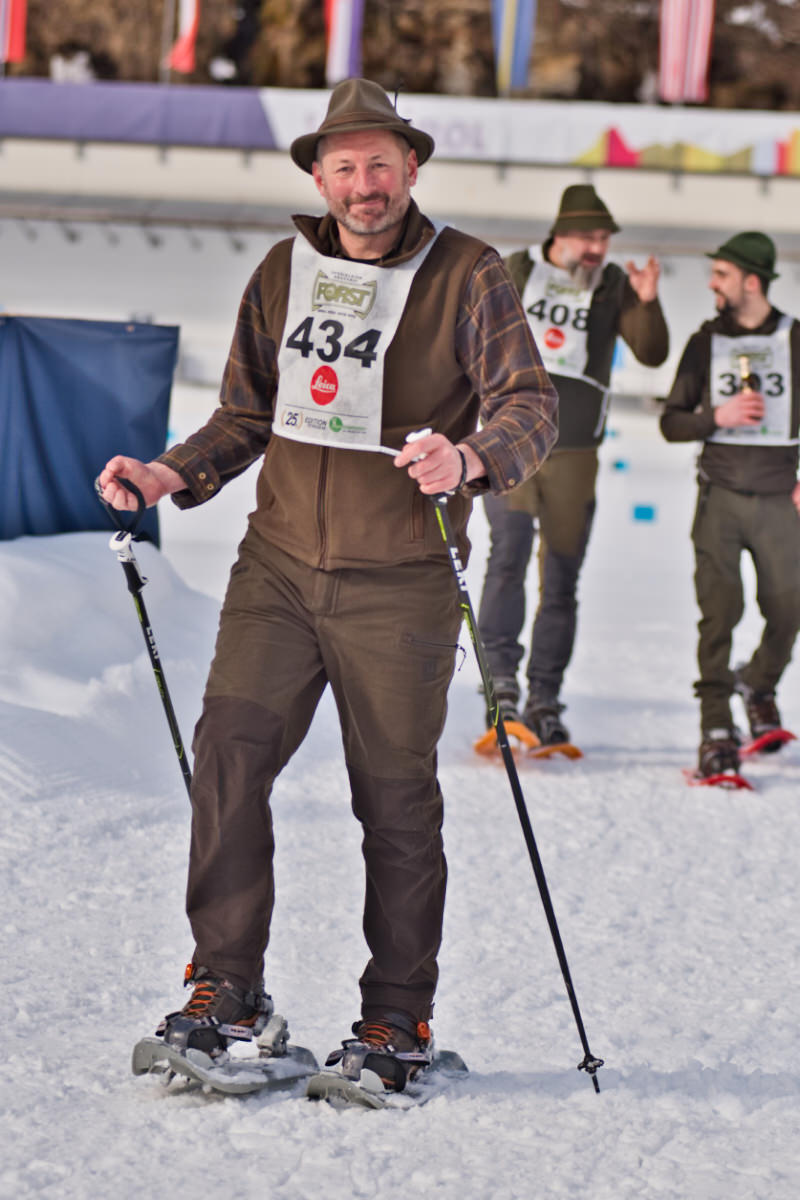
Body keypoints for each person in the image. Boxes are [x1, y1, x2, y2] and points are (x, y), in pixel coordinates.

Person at [99, 78, 558, 1092]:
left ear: (411, 167)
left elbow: (530, 404)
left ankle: (396, 1017)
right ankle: (226, 986)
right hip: (278, 570)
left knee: (392, 797)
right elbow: (243, 413)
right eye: (344, 166)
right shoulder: (282, 270)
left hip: (400, 581)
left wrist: (469, 459)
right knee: (229, 755)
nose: (364, 184)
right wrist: (170, 473)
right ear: (318, 177)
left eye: (380, 163)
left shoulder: (467, 272)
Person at [476, 185, 669, 745]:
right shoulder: (514, 270)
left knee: (561, 578)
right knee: (508, 556)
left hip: (576, 452)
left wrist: (647, 301)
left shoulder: (611, 285)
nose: (598, 249)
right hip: (510, 443)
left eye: (604, 239)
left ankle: (545, 695)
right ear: (560, 234)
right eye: (588, 237)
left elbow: (652, 352)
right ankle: (501, 687)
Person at [661, 231, 800, 778]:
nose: (712, 284)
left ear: (752, 281)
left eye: (721, 275)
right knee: (719, 614)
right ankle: (715, 725)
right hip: (718, 497)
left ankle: (758, 684)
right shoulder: (705, 341)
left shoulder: (794, 339)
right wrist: (715, 417)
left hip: (778, 499)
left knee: (789, 608)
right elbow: (671, 422)